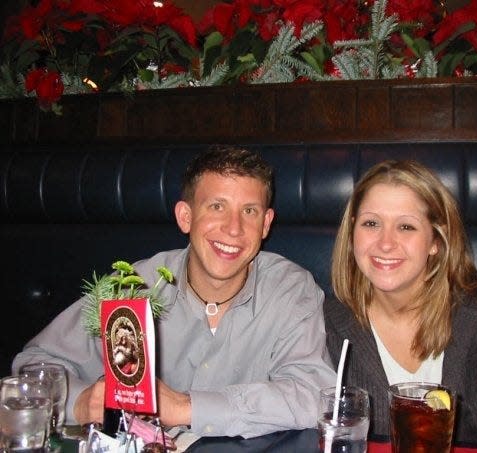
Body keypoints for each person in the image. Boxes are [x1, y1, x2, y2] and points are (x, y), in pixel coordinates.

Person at [13, 146, 336, 438]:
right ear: (186, 216)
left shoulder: (290, 289)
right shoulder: (132, 287)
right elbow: (35, 367)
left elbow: (314, 394)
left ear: (266, 224)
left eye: (249, 211)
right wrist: (81, 403)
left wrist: (185, 407)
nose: (234, 228)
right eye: (217, 206)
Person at [324, 159, 477, 445]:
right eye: (371, 223)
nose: (385, 242)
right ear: (352, 233)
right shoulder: (328, 320)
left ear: (435, 241)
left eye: (406, 226)